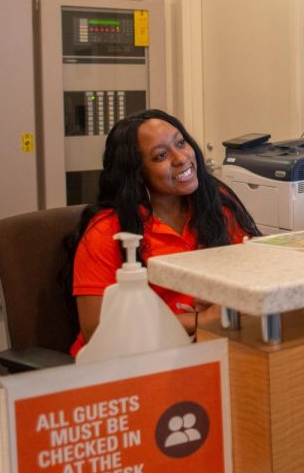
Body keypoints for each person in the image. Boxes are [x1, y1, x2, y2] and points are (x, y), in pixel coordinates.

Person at [65, 109, 259, 355]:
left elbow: (252, 273)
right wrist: (202, 319)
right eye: (160, 156)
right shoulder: (107, 232)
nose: (181, 158)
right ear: (137, 173)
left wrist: (220, 301)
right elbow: (97, 331)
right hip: (128, 364)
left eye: (181, 143)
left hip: (205, 346)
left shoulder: (214, 203)